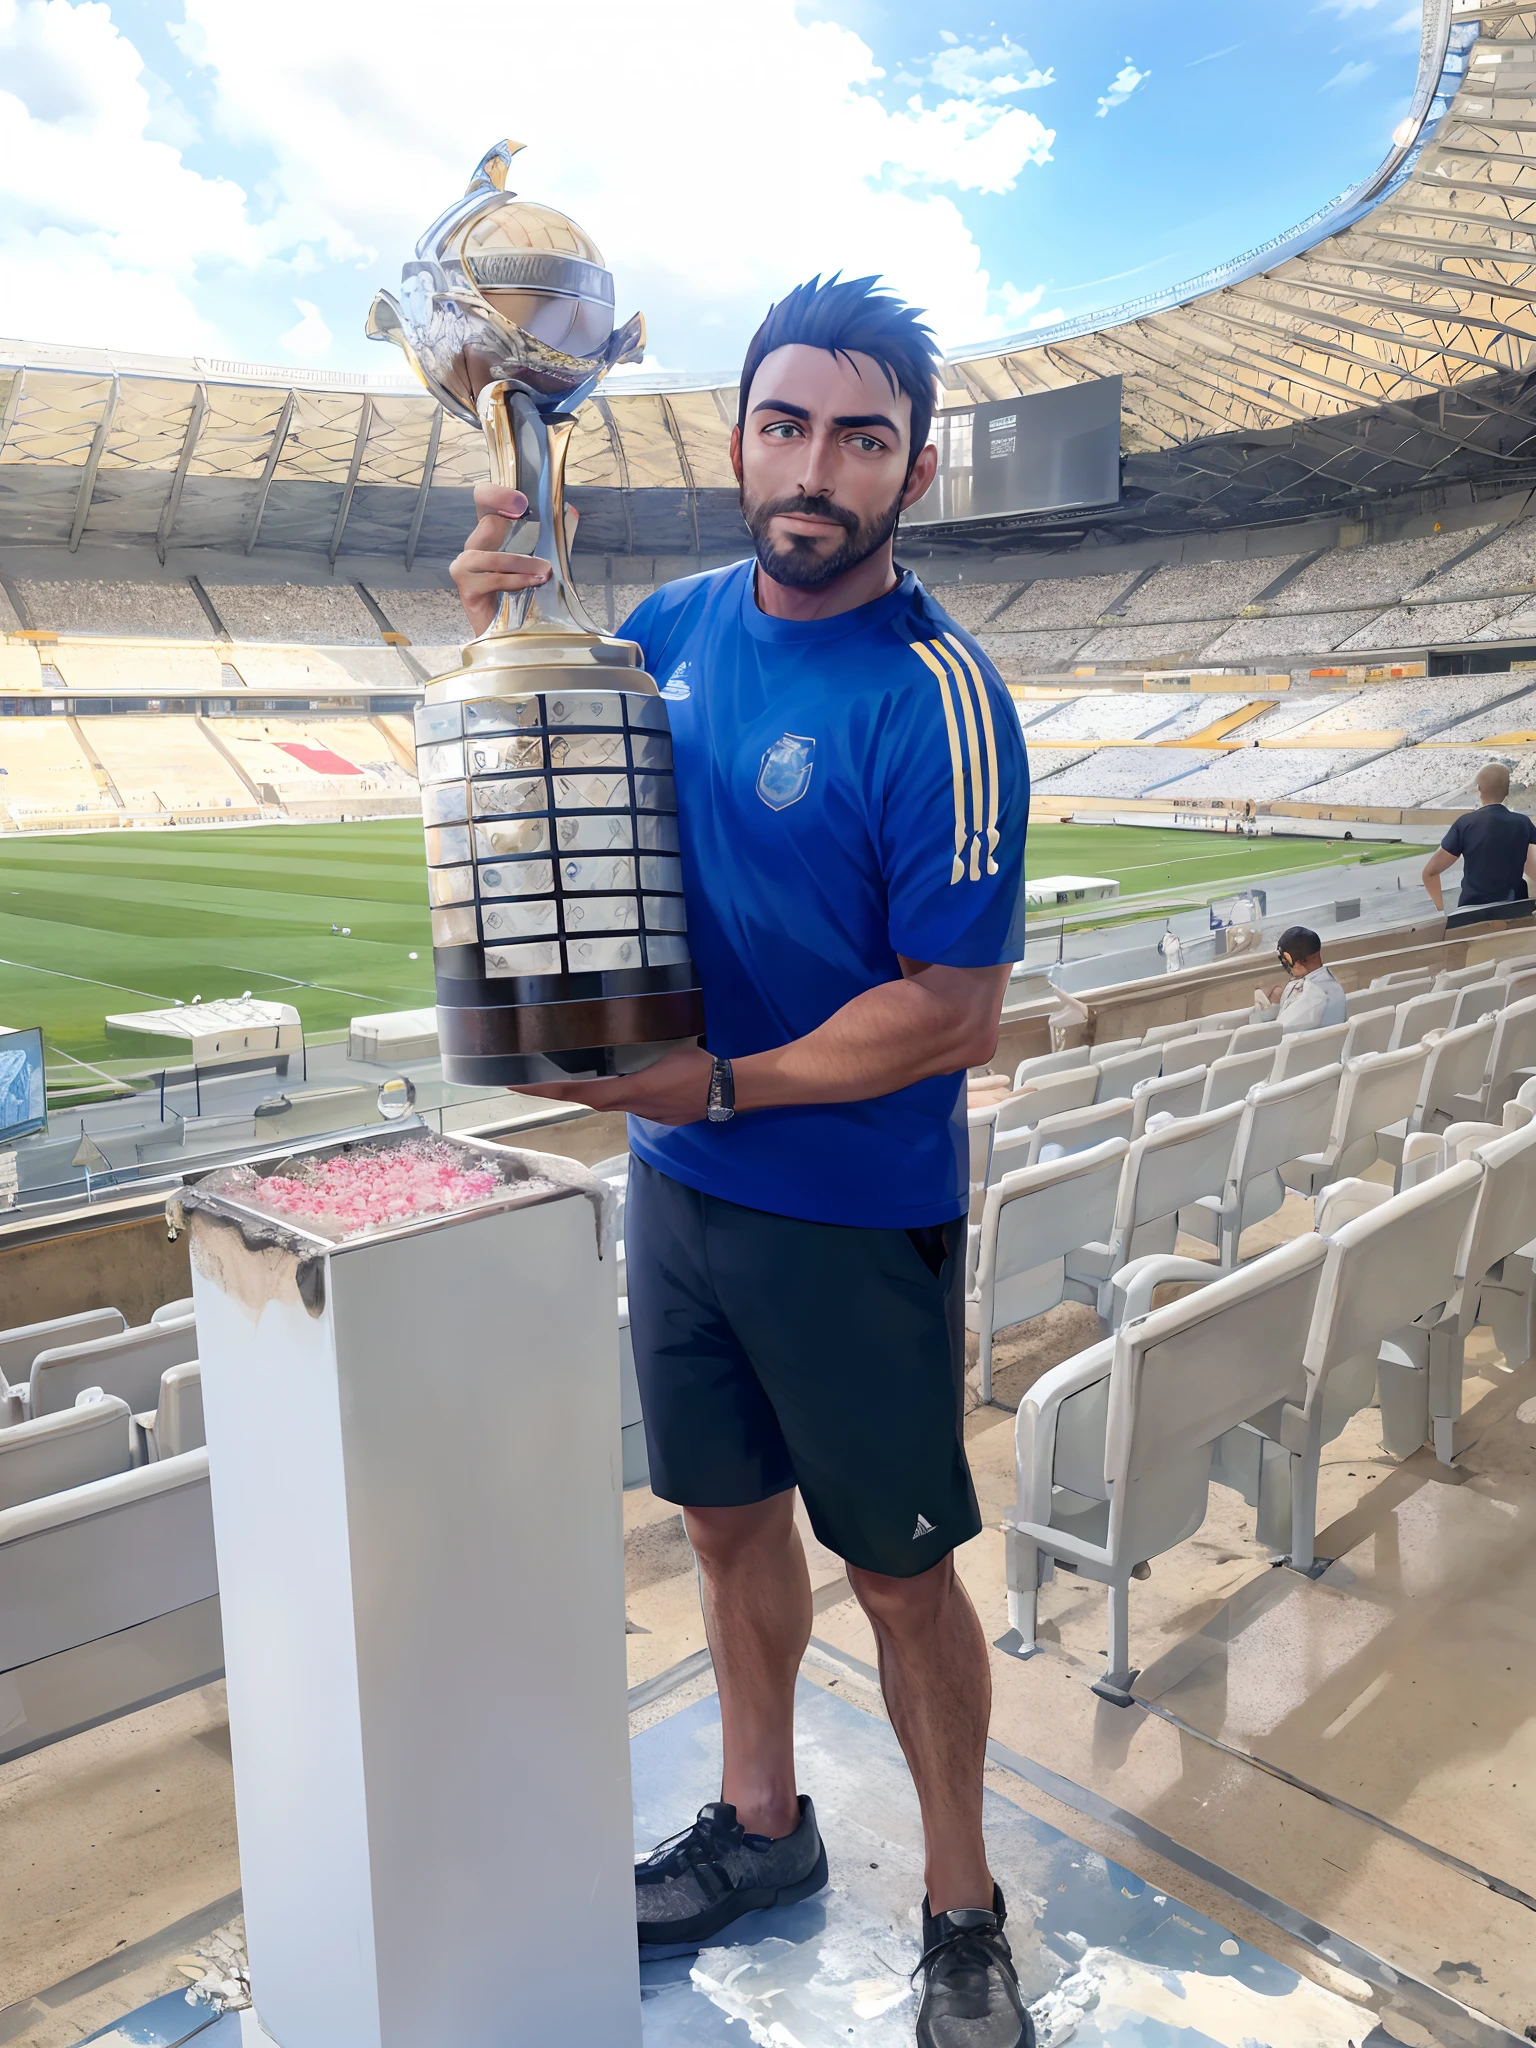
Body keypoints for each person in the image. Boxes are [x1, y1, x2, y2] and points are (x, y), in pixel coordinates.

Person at [452, 274, 1032, 2048]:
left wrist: (716, 1087)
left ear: (911, 471)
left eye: (861, 437)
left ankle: (958, 1904)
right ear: (737, 442)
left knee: (903, 1571)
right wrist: (492, 609)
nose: (817, 465)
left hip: (850, 1215)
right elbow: (554, 775)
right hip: (688, 1202)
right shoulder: (681, 627)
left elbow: (950, 1015)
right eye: (787, 424)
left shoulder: (940, 696)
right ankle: (764, 1823)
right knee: (719, 1524)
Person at [1422, 761, 1536, 926]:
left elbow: (1430, 873)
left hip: (1473, 912)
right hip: (1516, 909)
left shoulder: (1465, 823)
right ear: (1506, 791)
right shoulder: (1523, 823)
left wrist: (1441, 912)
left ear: (1479, 789)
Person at [1263, 926, 1346, 1034]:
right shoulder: (1332, 983)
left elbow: (1275, 1034)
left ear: (1288, 958)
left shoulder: (1311, 996)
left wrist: (1262, 1011)